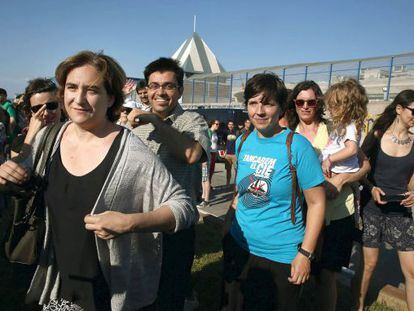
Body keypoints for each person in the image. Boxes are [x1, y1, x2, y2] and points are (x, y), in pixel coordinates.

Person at [0, 51, 196, 311]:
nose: (78, 99)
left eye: (92, 90)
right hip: (55, 277)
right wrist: (7, 172)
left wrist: (130, 223)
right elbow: (22, 175)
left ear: (111, 97)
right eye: (71, 87)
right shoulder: (49, 137)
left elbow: (184, 207)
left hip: (108, 286)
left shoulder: (130, 151)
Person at [222, 73, 326, 311]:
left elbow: (317, 203)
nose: (259, 111)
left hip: (280, 254)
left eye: (267, 103)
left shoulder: (297, 146)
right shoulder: (243, 141)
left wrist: (305, 254)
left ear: (280, 108)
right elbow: (242, 188)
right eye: (253, 103)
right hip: (240, 246)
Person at [127, 57, 210, 310]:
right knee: (139, 294)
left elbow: (192, 155)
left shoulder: (193, 121)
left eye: (168, 86)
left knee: (170, 296)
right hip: (140, 225)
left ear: (180, 90)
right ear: (147, 90)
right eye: (154, 85)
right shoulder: (134, 128)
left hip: (175, 227)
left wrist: (155, 121)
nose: (160, 92)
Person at [286, 80, 370, 311]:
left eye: (311, 101)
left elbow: (365, 166)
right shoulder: (288, 136)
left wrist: (341, 180)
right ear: (294, 104)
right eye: (300, 101)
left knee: (326, 276)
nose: (305, 106)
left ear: (319, 103)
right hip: (300, 216)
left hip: (337, 214)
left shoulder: (335, 129)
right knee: (296, 271)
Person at [352, 89, 414, 311]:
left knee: (412, 271)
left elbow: (412, 179)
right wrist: (371, 187)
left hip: (401, 211)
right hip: (373, 208)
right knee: (369, 265)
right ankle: (357, 306)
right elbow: (361, 168)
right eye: (413, 111)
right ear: (399, 109)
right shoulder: (377, 135)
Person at [10, 78, 62, 158]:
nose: (46, 113)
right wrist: (30, 137)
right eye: (37, 108)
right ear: (31, 112)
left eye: (51, 105)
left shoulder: (74, 137)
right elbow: (16, 168)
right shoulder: (20, 142)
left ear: (61, 104)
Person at [223, 120, 237, 187]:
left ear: (233, 125)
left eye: (232, 124)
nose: (230, 125)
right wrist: (224, 152)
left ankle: (235, 183)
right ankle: (227, 183)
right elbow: (223, 143)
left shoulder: (237, 132)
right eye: (229, 124)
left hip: (235, 154)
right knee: (228, 170)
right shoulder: (225, 133)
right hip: (227, 154)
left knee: (236, 170)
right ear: (228, 125)